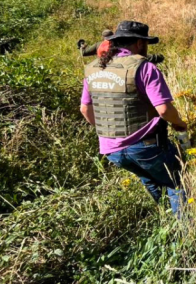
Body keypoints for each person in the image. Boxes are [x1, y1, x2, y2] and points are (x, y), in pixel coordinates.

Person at [80, 20, 187, 215]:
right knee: (177, 181)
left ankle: (166, 219)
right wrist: (180, 124)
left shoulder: (93, 68)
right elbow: (164, 110)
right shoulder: (144, 67)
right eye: (146, 43)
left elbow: (85, 109)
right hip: (146, 146)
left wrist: (110, 132)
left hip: (111, 150)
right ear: (139, 43)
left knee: (149, 178)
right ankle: (185, 229)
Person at [78, 29, 166, 64]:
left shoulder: (98, 44)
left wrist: (81, 45)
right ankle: (159, 57)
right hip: (120, 63)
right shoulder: (117, 43)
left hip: (102, 66)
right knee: (145, 58)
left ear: (103, 37)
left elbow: (84, 53)